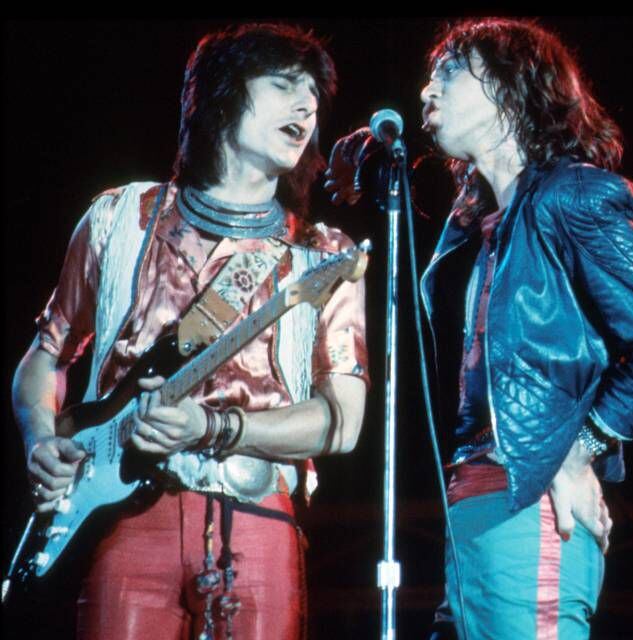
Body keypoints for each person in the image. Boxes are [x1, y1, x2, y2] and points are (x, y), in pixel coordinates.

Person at [328, 17, 633, 639]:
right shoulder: (478, 224)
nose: (427, 90)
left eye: (448, 73)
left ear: (510, 89)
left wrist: (576, 448)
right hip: (473, 501)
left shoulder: (578, 197)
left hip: (527, 506)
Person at [12, 23, 368, 640]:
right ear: (224, 95)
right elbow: (45, 356)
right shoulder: (118, 216)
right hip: (120, 520)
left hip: (257, 516)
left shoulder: (318, 253)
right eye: (284, 84)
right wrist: (41, 440)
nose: (307, 105)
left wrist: (219, 428)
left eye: (313, 92)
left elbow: (344, 422)